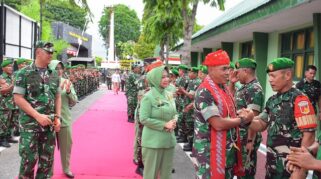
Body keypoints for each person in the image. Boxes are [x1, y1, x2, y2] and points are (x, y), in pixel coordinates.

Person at [245, 57, 317, 178]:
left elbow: (309, 136)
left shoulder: (299, 100)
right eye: (269, 76)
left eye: (273, 76)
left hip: (290, 167)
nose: (270, 80)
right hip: (272, 165)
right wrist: (247, 120)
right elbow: (262, 124)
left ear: (288, 75)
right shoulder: (272, 100)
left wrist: (300, 170)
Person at [193, 50, 253, 179]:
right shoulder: (205, 91)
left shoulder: (222, 87)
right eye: (224, 69)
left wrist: (241, 113)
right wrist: (242, 119)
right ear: (211, 69)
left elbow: (227, 110)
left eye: (229, 68)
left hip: (226, 153)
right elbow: (218, 124)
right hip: (209, 155)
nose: (228, 72)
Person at [13, 41, 61, 178]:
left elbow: (57, 97)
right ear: (38, 52)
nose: (51, 55)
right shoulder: (24, 73)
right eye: (48, 52)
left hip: (49, 126)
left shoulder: (54, 74)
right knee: (28, 162)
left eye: (52, 52)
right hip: (30, 126)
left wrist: (57, 117)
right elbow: (18, 98)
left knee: (46, 163)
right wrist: (37, 115)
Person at [139, 65, 177, 179]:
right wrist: (164, 124)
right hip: (153, 143)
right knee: (151, 175)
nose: (166, 79)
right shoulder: (148, 97)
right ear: (154, 78)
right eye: (162, 77)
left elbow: (174, 112)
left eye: (167, 76)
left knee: (166, 175)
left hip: (168, 141)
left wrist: (174, 120)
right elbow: (144, 119)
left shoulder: (169, 94)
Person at [234, 58, 264, 179]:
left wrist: (250, 141)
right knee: (240, 170)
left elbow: (254, 117)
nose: (237, 74)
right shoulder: (245, 87)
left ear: (245, 71)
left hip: (247, 137)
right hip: (240, 136)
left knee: (246, 171)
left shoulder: (254, 89)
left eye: (238, 72)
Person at [49, 60, 78, 178]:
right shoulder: (45, 82)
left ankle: (66, 168)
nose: (59, 70)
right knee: (48, 148)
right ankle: (48, 171)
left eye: (61, 68)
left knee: (66, 146)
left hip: (64, 119)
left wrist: (68, 91)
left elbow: (74, 101)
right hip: (48, 120)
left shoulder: (66, 82)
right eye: (56, 68)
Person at [0, 58, 18, 147]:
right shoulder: (1, 78)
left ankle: (8, 136)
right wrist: (12, 86)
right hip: (4, 105)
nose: (11, 68)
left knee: (11, 121)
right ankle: (1, 138)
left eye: (11, 66)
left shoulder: (13, 77)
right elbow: (2, 91)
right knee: (3, 122)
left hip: (13, 104)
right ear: (3, 68)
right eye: (8, 66)